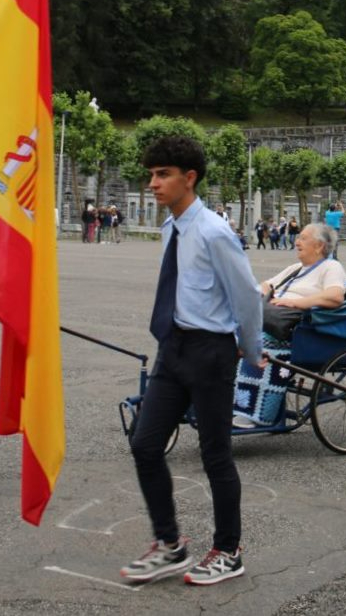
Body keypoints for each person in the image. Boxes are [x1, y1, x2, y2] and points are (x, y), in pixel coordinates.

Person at [123, 135, 263, 587]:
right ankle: (170, 544)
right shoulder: (172, 228)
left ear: (190, 178)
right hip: (173, 347)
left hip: (209, 352)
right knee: (145, 444)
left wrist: (252, 349)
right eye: (151, 174)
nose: (153, 183)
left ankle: (229, 550)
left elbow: (246, 297)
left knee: (215, 454)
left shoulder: (215, 232)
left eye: (162, 174)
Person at [260, 223, 346, 342]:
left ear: (319, 246)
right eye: (298, 238)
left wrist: (294, 303)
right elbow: (266, 285)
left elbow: (335, 296)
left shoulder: (331, 266)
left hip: (292, 328)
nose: (297, 242)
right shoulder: (296, 268)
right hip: (270, 318)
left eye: (303, 238)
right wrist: (269, 299)